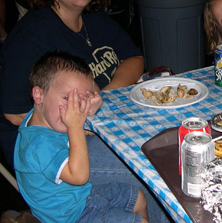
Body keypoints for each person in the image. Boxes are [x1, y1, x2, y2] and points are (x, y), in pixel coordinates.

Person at [0, 0, 172, 221]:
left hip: (99, 125)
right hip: (52, 150)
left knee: (173, 143)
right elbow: (14, 112)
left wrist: (102, 97)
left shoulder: (93, 18)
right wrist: (82, 120)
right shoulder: (33, 34)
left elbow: (134, 59)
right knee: (155, 171)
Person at [15, 51, 149, 223]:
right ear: (38, 95)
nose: (75, 108)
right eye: (67, 98)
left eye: (81, 100)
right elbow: (79, 177)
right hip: (70, 216)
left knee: (138, 197)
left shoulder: (42, 116)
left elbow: (79, 131)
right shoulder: (39, 145)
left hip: (77, 197)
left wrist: (88, 110)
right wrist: (76, 125)